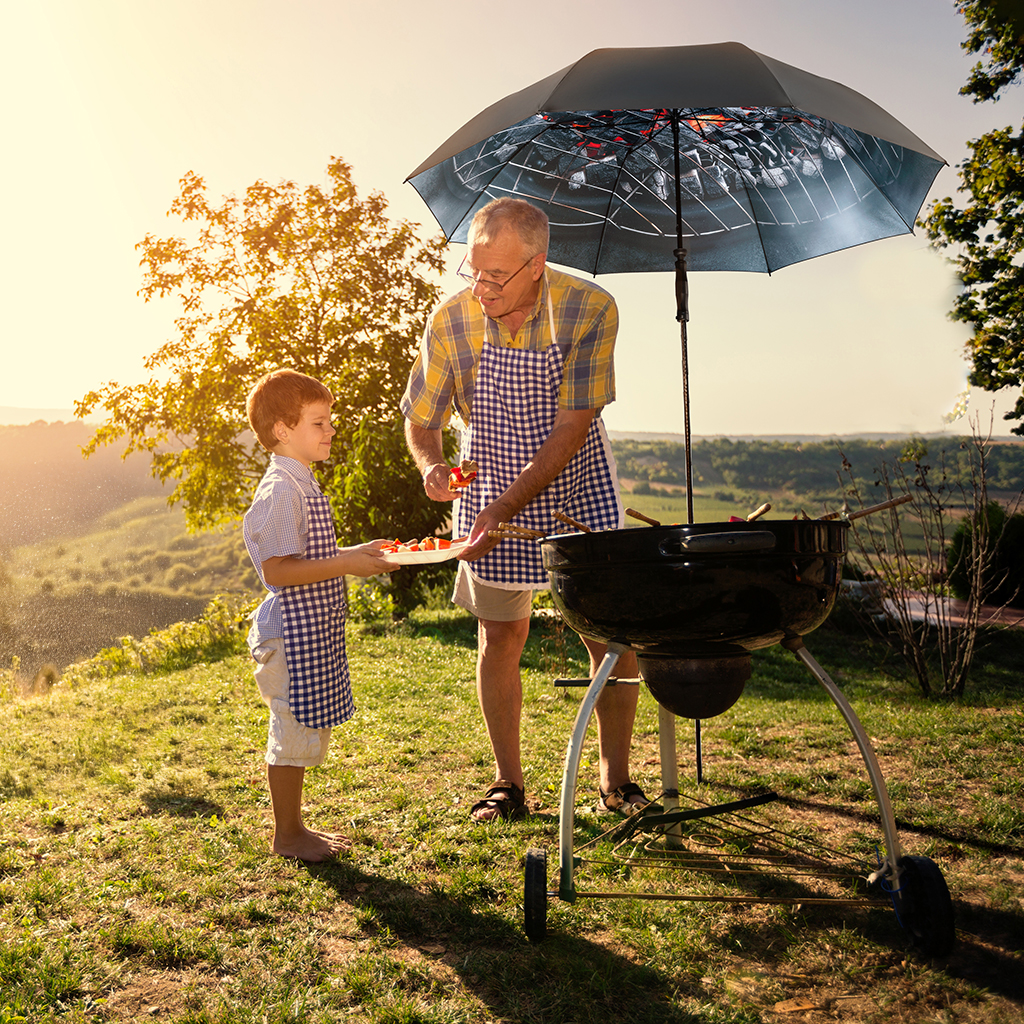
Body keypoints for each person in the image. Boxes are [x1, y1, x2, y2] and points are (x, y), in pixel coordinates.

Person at [401, 197, 651, 823]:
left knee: (612, 638)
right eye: (473, 271)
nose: (480, 287)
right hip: (487, 484)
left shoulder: (590, 309)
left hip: (576, 485)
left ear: (537, 263)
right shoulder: (450, 320)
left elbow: (570, 430)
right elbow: (421, 419)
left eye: (496, 275)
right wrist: (432, 466)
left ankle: (615, 781)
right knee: (501, 634)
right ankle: (507, 784)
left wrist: (504, 507)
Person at [243, 368, 396, 861]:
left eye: (330, 420)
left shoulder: (300, 481)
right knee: (290, 730)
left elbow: (306, 555)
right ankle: (287, 836)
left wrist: (356, 550)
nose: (331, 430)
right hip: (287, 633)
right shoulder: (280, 490)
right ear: (282, 430)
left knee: (302, 726)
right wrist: (347, 564)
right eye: (319, 422)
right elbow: (279, 570)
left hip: (303, 631)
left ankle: (295, 828)